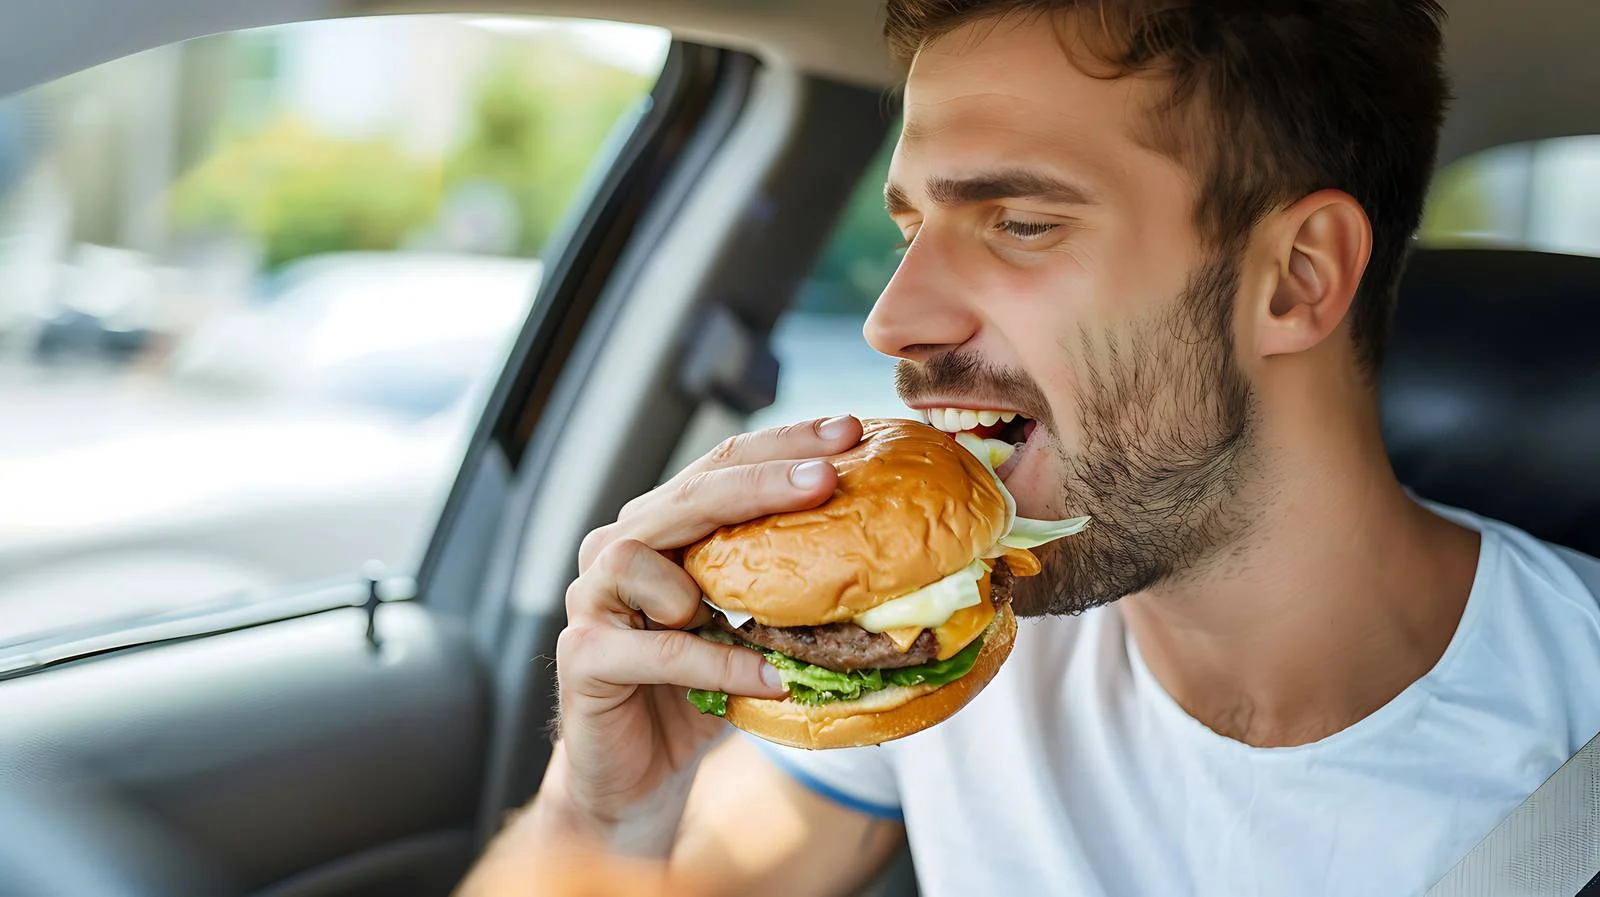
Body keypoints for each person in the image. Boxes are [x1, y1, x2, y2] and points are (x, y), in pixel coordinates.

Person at [459, 1, 1600, 894]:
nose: (891, 319)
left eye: (1019, 222)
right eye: (912, 227)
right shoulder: (947, 657)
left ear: (1295, 279)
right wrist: (603, 816)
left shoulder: (1571, 716)